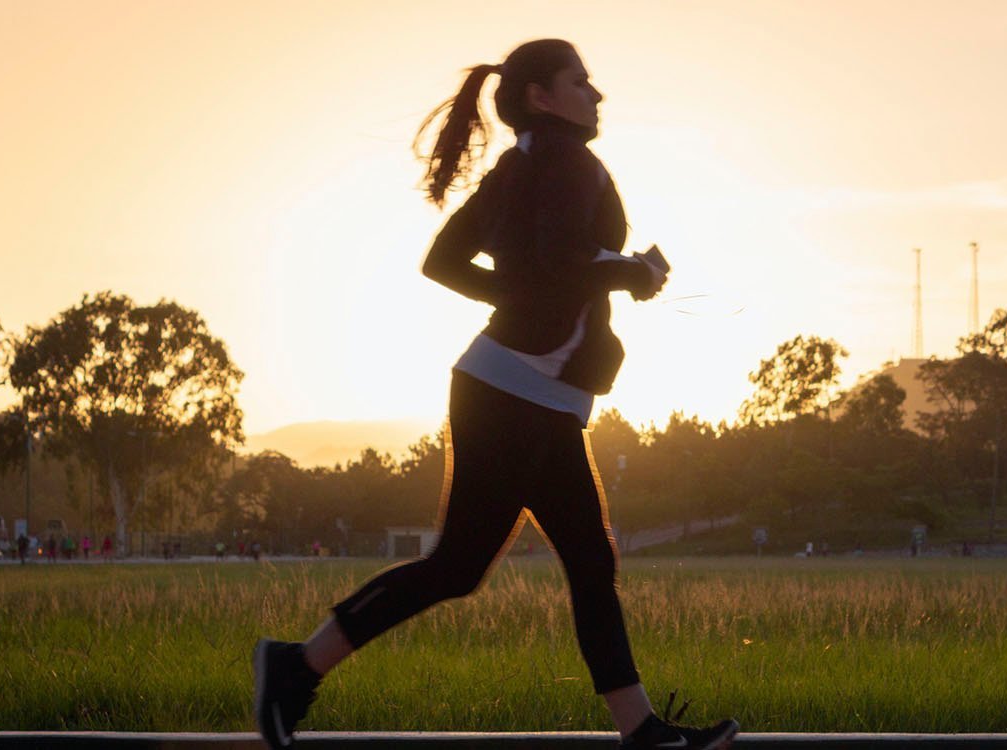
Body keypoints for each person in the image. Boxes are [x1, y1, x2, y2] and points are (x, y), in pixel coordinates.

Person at [252, 40, 737, 750]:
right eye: (582, 82)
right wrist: (626, 270)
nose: (597, 95)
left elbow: (447, 261)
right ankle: (294, 664)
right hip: (514, 395)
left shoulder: (522, 166)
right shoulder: (566, 165)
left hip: (523, 393)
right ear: (542, 95)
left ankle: (641, 729)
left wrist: (529, 295)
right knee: (475, 564)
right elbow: (557, 259)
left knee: (571, 560)